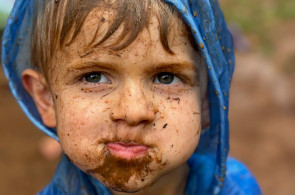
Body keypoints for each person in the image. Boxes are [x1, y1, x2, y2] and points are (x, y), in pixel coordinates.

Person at [1, 0, 261, 194]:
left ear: (206, 100)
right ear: (46, 99)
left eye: (166, 77)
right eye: (94, 77)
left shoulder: (238, 188)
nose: (134, 111)